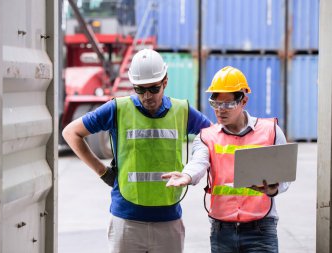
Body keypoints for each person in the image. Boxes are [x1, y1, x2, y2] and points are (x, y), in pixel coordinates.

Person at [62, 48, 211, 253]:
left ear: (165, 81)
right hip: (126, 220)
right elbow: (71, 133)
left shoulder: (182, 111)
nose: (147, 96)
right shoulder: (117, 109)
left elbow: (213, 137)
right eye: (140, 89)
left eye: (153, 88)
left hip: (168, 220)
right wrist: (102, 171)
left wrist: (191, 172)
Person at [162, 66, 289, 253]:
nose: (221, 110)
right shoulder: (206, 136)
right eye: (216, 104)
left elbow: (285, 177)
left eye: (228, 104)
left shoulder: (270, 131)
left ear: (243, 101)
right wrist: (187, 176)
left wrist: (273, 188)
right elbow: (199, 161)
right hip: (222, 232)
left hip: (261, 230)